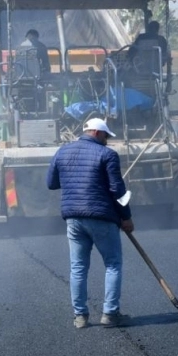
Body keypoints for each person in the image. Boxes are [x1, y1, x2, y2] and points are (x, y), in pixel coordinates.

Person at [46, 117, 134, 329]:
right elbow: (117, 190)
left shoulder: (62, 151)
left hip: (73, 218)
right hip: (101, 217)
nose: (107, 140)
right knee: (113, 264)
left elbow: (51, 183)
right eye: (105, 135)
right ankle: (110, 314)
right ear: (96, 132)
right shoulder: (107, 155)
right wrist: (126, 217)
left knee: (78, 268)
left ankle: (80, 317)